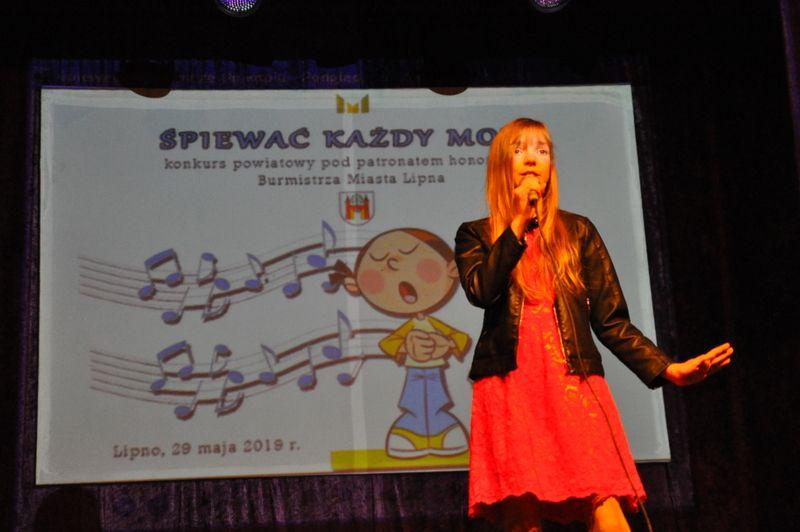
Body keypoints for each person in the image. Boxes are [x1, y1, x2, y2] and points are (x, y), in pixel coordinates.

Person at [454, 118, 733, 531]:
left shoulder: (578, 231)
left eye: (542, 150)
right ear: (500, 165)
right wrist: (516, 226)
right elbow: (482, 290)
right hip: (510, 383)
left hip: (572, 378)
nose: (532, 159)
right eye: (520, 150)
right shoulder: (475, 235)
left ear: (551, 167)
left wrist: (668, 368)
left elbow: (611, 320)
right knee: (521, 509)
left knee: (604, 499)